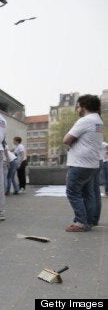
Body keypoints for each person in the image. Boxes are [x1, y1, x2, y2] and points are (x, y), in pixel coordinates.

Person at [63, 95, 103, 232]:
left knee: (72, 192)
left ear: (84, 107)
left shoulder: (85, 120)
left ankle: (80, 222)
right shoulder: (98, 120)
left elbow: (66, 139)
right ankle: (89, 221)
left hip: (80, 163)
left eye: (78, 106)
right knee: (88, 193)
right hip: (92, 163)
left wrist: (73, 141)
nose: (77, 109)